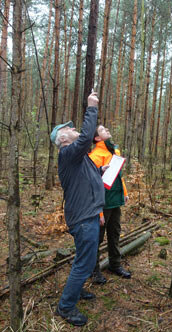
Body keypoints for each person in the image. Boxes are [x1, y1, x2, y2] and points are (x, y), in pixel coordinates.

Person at [50, 92, 108, 327]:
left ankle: (77, 289)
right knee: (84, 262)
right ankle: (65, 306)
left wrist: (99, 212)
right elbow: (85, 139)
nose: (76, 130)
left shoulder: (79, 157)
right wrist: (91, 107)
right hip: (83, 218)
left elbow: (91, 178)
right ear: (64, 138)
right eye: (71, 129)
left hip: (89, 214)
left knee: (85, 258)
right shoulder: (67, 153)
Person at [89, 125, 131, 284]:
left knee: (114, 234)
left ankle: (115, 264)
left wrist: (124, 193)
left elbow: (118, 176)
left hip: (115, 201)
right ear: (97, 138)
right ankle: (93, 271)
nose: (106, 129)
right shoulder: (95, 156)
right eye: (102, 130)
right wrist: (99, 212)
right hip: (101, 205)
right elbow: (92, 187)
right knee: (97, 238)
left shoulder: (114, 152)